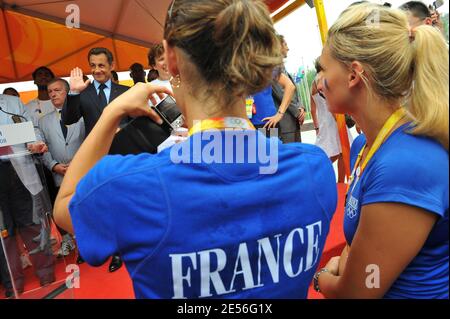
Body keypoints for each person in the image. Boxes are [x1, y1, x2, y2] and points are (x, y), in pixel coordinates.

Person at [54, 0, 337, 299]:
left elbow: (65, 207)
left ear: (171, 59)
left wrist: (112, 113)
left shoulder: (129, 186)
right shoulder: (314, 169)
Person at [313, 3, 448, 298]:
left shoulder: (406, 163)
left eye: (322, 68)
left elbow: (358, 292)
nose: (318, 82)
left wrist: (321, 278)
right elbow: (360, 240)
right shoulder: (365, 145)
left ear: (353, 75)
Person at [62, 47, 125, 272]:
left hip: (122, 156)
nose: (97, 70)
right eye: (93, 66)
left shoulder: (125, 91)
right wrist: (73, 92)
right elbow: (68, 119)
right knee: (99, 202)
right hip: (95, 159)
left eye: (101, 65)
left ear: (111, 66)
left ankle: (120, 250)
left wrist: (123, 128)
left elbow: (136, 118)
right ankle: (102, 246)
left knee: (120, 202)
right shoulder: (83, 93)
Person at [1, 94, 53, 298]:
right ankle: (12, 281)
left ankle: (46, 271)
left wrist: (35, 142)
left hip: (19, 170)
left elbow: (31, 130)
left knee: (32, 224)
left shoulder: (11, 103)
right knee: (4, 232)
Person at [38, 78, 85, 258]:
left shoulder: (82, 114)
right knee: (68, 212)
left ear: (67, 91)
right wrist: (54, 165)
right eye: (50, 92)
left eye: (57, 90)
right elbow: (43, 148)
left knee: (86, 208)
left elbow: (90, 139)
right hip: (59, 175)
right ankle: (77, 245)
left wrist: (80, 162)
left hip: (83, 171)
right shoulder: (43, 122)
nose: (53, 94)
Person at [310, 59, 347, 183]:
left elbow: (312, 109)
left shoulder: (313, 83)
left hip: (325, 121)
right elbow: (330, 100)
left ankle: (338, 182)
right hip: (333, 120)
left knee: (337, 151)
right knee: (335, 153)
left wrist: (316, 127)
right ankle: (337, 182)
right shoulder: (322, 79)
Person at [271, 34, 305, 143]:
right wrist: (297, 111)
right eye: (285, 44)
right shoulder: (272, 69)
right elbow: (282, 92)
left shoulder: (282, 68)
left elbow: (293, 90)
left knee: (296, 155)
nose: (288, 48)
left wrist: (301, 107)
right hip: (284, 125)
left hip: (291, 122)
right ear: (278, 46)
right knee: (289, 156)